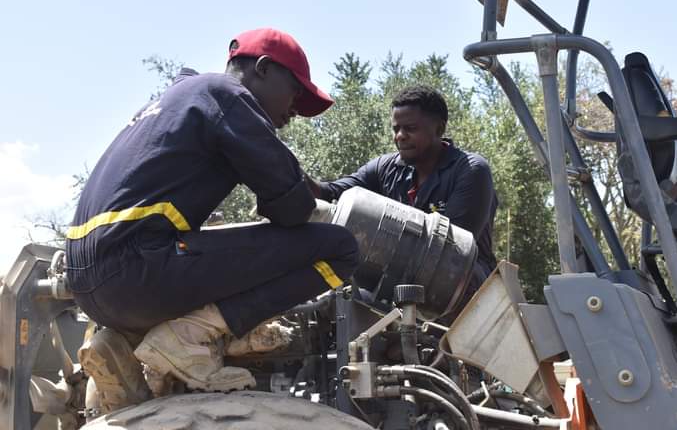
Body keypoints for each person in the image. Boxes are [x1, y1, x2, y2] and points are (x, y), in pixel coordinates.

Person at [65, 28, 359, 403]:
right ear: (264, 69)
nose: (293, 113)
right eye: (296, 94)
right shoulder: (228, 97)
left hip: (90, 287)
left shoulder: (176, 100)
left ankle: (122, 342)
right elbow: (294, 209)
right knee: (339, 248)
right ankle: (194, 336)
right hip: (132, 271)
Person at [308, 85, 497, 291]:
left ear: (439, 129)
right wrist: (282, 166)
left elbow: (452, 253)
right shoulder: (386, 168)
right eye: (396, 129)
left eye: (410, 129)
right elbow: (328, 193)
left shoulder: (470, 170)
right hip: (400, 280)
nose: (400, 136)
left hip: (462, 287)